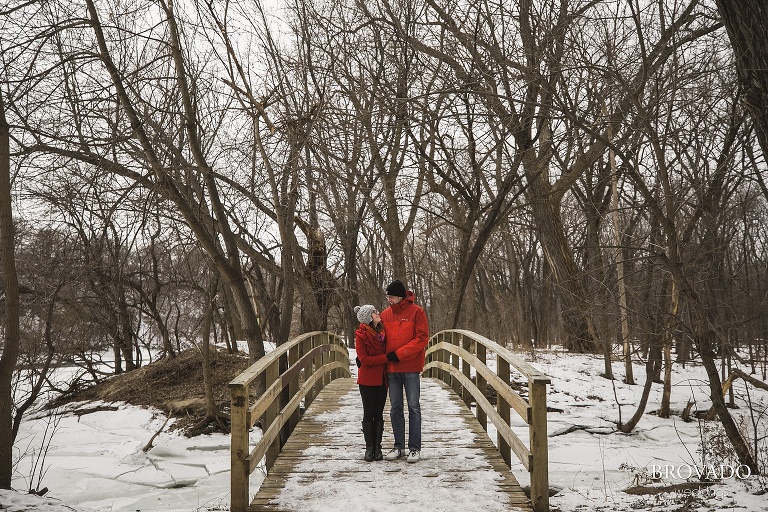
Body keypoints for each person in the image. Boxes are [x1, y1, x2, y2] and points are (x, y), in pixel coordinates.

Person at [380, 279, 429, 463]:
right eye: (388, 297)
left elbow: (422, 339)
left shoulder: (417, 312)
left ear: (400, 297)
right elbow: (379, 338)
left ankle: (414, 448)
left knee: (413, 407)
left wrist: (400, 354)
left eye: (391, 297)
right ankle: (399, 447)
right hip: (392, 369)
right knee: (395, 408)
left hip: (410, 367)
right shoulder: (385, 314)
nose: (389, 300)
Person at [353, 304, 388, 462]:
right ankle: (369, 448)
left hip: (382, 378)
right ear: (368, 318)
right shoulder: (361, 336)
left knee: (378, 412)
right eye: (374, 312)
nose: (377, 313)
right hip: (367, 379)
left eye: (376, 311)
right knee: (368, 412)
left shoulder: (384, 332)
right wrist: (386, 358)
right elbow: (364, 359)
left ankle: (378, 447)